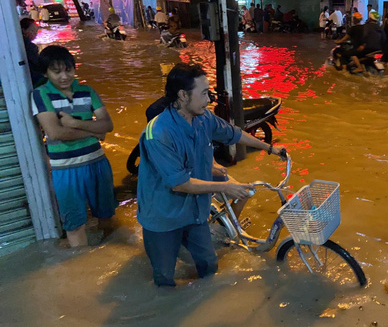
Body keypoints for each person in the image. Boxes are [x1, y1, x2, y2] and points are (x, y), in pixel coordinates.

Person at [137, 63, 286, 287]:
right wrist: (225, 187)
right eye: (205, 93)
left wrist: (269, 148)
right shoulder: (158, 133)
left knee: (209, 266)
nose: (209, 100)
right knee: (165, 277)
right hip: (163, 216)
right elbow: (180, 184)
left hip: (195, 212)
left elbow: (233, 134)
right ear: (182, 95)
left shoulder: (203, 118)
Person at [31, 46, 117, 248]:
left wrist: (76, 123)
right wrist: (94, 132)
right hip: (66, 169)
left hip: (98, 163)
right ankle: (83, 268)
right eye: (56, 71)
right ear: (45, 73)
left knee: (107, 217)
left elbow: (108, 125)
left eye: (68, 70)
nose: (64, 76)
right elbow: (55, 133)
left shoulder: (87, 91)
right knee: (74, 224)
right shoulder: (40, 95)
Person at [20, 18, 44, 87]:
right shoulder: (31, 47)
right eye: (32, 31)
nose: (35, 34)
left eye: (36, 31)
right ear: (23, 30)